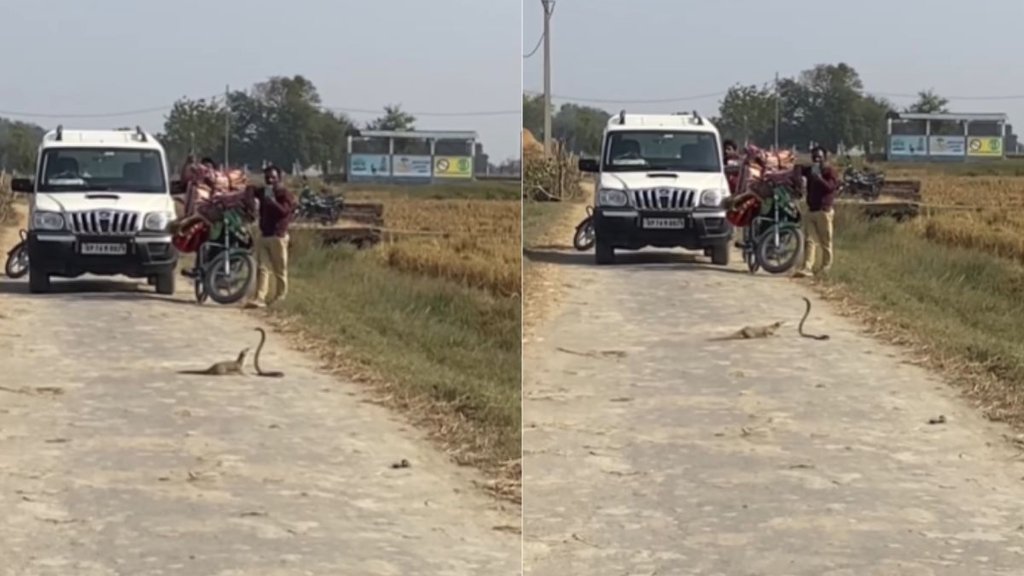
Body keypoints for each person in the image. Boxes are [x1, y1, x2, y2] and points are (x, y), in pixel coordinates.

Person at [245, 165, 296, 309]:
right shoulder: (263, 192)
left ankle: (280, 297)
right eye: (267, 177)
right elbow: (250, 189)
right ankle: (260, 298)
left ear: (279, 179)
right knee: (262, 268)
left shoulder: (284, 194)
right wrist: (250, 200)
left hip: (278, 236)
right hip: (264, 235)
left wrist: (272, 202)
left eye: (273, 177)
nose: (270, 180)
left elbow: (285, 212)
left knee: (280, 270)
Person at [794, 146, 839, 278]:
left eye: (819, 157)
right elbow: (797, 169)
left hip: (824, 211)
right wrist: (799, 173)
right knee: (809, 240)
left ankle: (825, 268)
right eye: (814, 156)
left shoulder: (829, 171)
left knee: (826, 241)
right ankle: (807, 267)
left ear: (825, 158)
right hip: (811, 210)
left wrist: (819, 178)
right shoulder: (810, 171)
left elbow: (831, 187)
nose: (817, 159)